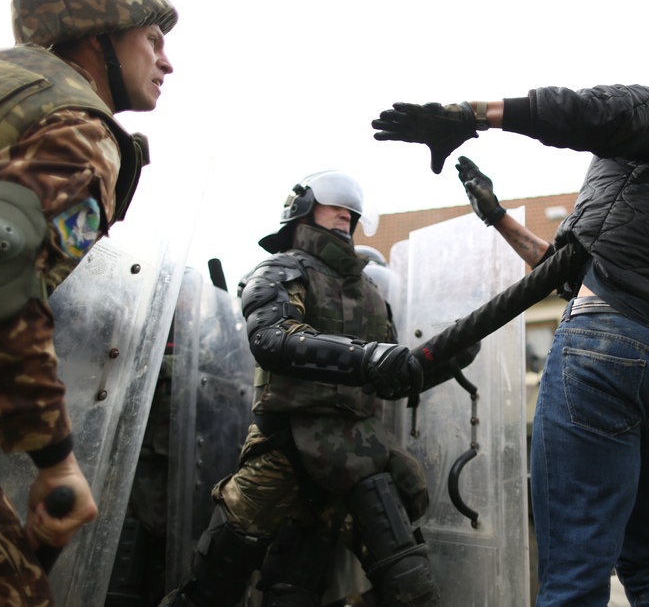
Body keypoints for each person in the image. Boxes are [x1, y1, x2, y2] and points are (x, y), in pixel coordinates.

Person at [372, 84, 649, 607]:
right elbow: (565, 270)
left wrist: (470, 115)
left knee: (573, 574)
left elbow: (589, 113)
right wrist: (495, 217)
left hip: (610, 348)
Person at [0, 0, 177, 605]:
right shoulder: (81, 128)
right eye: (153, 40)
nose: (167, 63)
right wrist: (54, 457)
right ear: (98, 34)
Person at [161, 171, 443, 607]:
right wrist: (367, 357)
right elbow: (271, 339)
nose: (346, 214)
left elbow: (388, 382)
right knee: (213, 588)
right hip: (284, 449)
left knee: (411, 585)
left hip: (359, 452)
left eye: (352, 209)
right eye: (334, 204)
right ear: (302, 208)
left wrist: (442, 358)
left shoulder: (369, 292)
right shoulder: (280, 270)